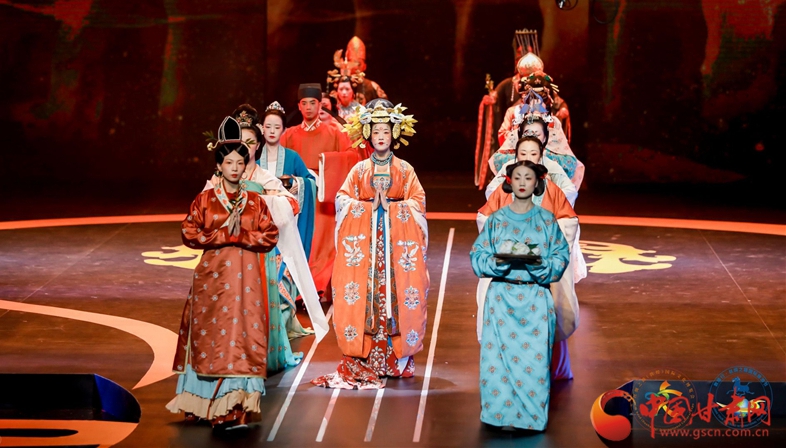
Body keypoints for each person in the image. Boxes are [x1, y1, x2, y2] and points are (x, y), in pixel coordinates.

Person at [167, 116, 279, 429]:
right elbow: (188, 232)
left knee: (243, 337)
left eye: (239, 163)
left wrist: (241, 235)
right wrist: (221, 235)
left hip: (246, 284)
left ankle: (236, 404)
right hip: (212, 281)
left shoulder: (255, 202)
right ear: (219, 166)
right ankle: (201, 401)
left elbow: (270, 236)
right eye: (228, 162)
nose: (234, 168)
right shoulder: (205, 200)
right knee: (211, 337)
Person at [311, 99, 428, 389]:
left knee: (395, 297)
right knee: (365, 297)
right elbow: (342, 200)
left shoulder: (405, 170)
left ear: (394, 134)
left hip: (396, 248)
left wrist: (393, 208)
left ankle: (397, 361)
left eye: (386, 131)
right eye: (376, 131)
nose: (381, 136)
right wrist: (366, 208)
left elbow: (418, 203)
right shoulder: (360, 170)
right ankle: (364, 358)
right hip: (365, 248)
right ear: (368, 135)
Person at [470, 160, 569, 430]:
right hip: (501, 299)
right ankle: (498, 415)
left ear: (537, 183)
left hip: (535, 299)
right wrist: (500, 261)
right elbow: (477, 256)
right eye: (517, 177)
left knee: (534, 364)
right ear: (509, 182)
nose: (523, 182)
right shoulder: (496, 219)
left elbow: (561, 258)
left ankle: (531, 418)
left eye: (528, 177)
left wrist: (536, 263)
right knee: (497, 361)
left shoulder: (547, 220)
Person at [478, 134, 584, 381]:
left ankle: (547, 369)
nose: (528, 158)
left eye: (533, 154)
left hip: (541, 267)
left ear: (541, 157)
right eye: (523, 153)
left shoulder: (551, 189)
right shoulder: (505, 189)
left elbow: (568, 221)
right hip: (510, 266)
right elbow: (485, 218)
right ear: (515, 157)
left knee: (545, 317)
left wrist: (544, 242)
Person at [281, 83, 358, 295]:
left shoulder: (335, 132)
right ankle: (297, 288)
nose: (308, 107)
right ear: (299, 106)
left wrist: (325, 165)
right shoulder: (289, 135)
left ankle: (319, 286)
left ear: (320, 105)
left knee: (323, 244)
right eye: (304, 103)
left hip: (324, 198)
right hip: (298, 198)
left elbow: (351, 156)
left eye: (313, 103)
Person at [496, 72, 584, 190]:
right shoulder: (516, 114)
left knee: (568, 169)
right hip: (521, 155)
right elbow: (505, 136)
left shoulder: (552, 120)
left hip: (546, 157)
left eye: (540, 96)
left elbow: (560, 145)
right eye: (532, 96)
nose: (536, 101)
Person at [487, 117, 576, 206]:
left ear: (545, 138)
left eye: (537, 134)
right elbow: (491, 190)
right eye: (523, 153)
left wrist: (550, 195)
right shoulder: (510, 165)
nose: (532, 138)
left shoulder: (552, 166)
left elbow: (570, 191)